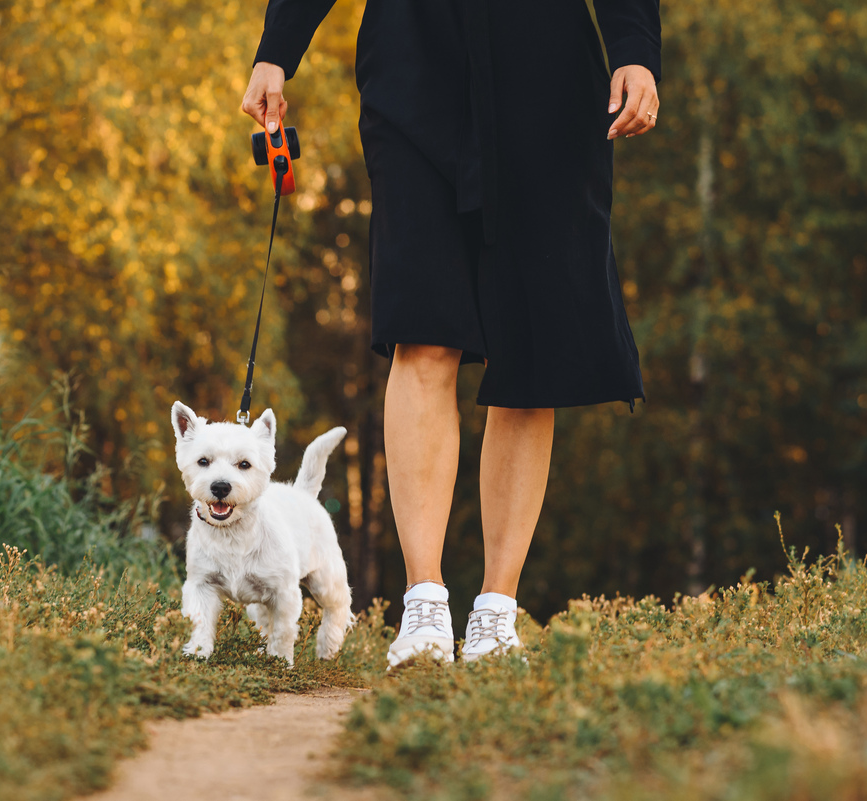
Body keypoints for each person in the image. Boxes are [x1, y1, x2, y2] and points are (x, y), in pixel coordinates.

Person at [242, 0, 661, 667]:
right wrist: (277, 49)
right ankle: (424, 606)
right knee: (422, 331)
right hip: (411, 71)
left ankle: (496, 614)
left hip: (547, 77)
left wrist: (634, 47)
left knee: (531, 355)